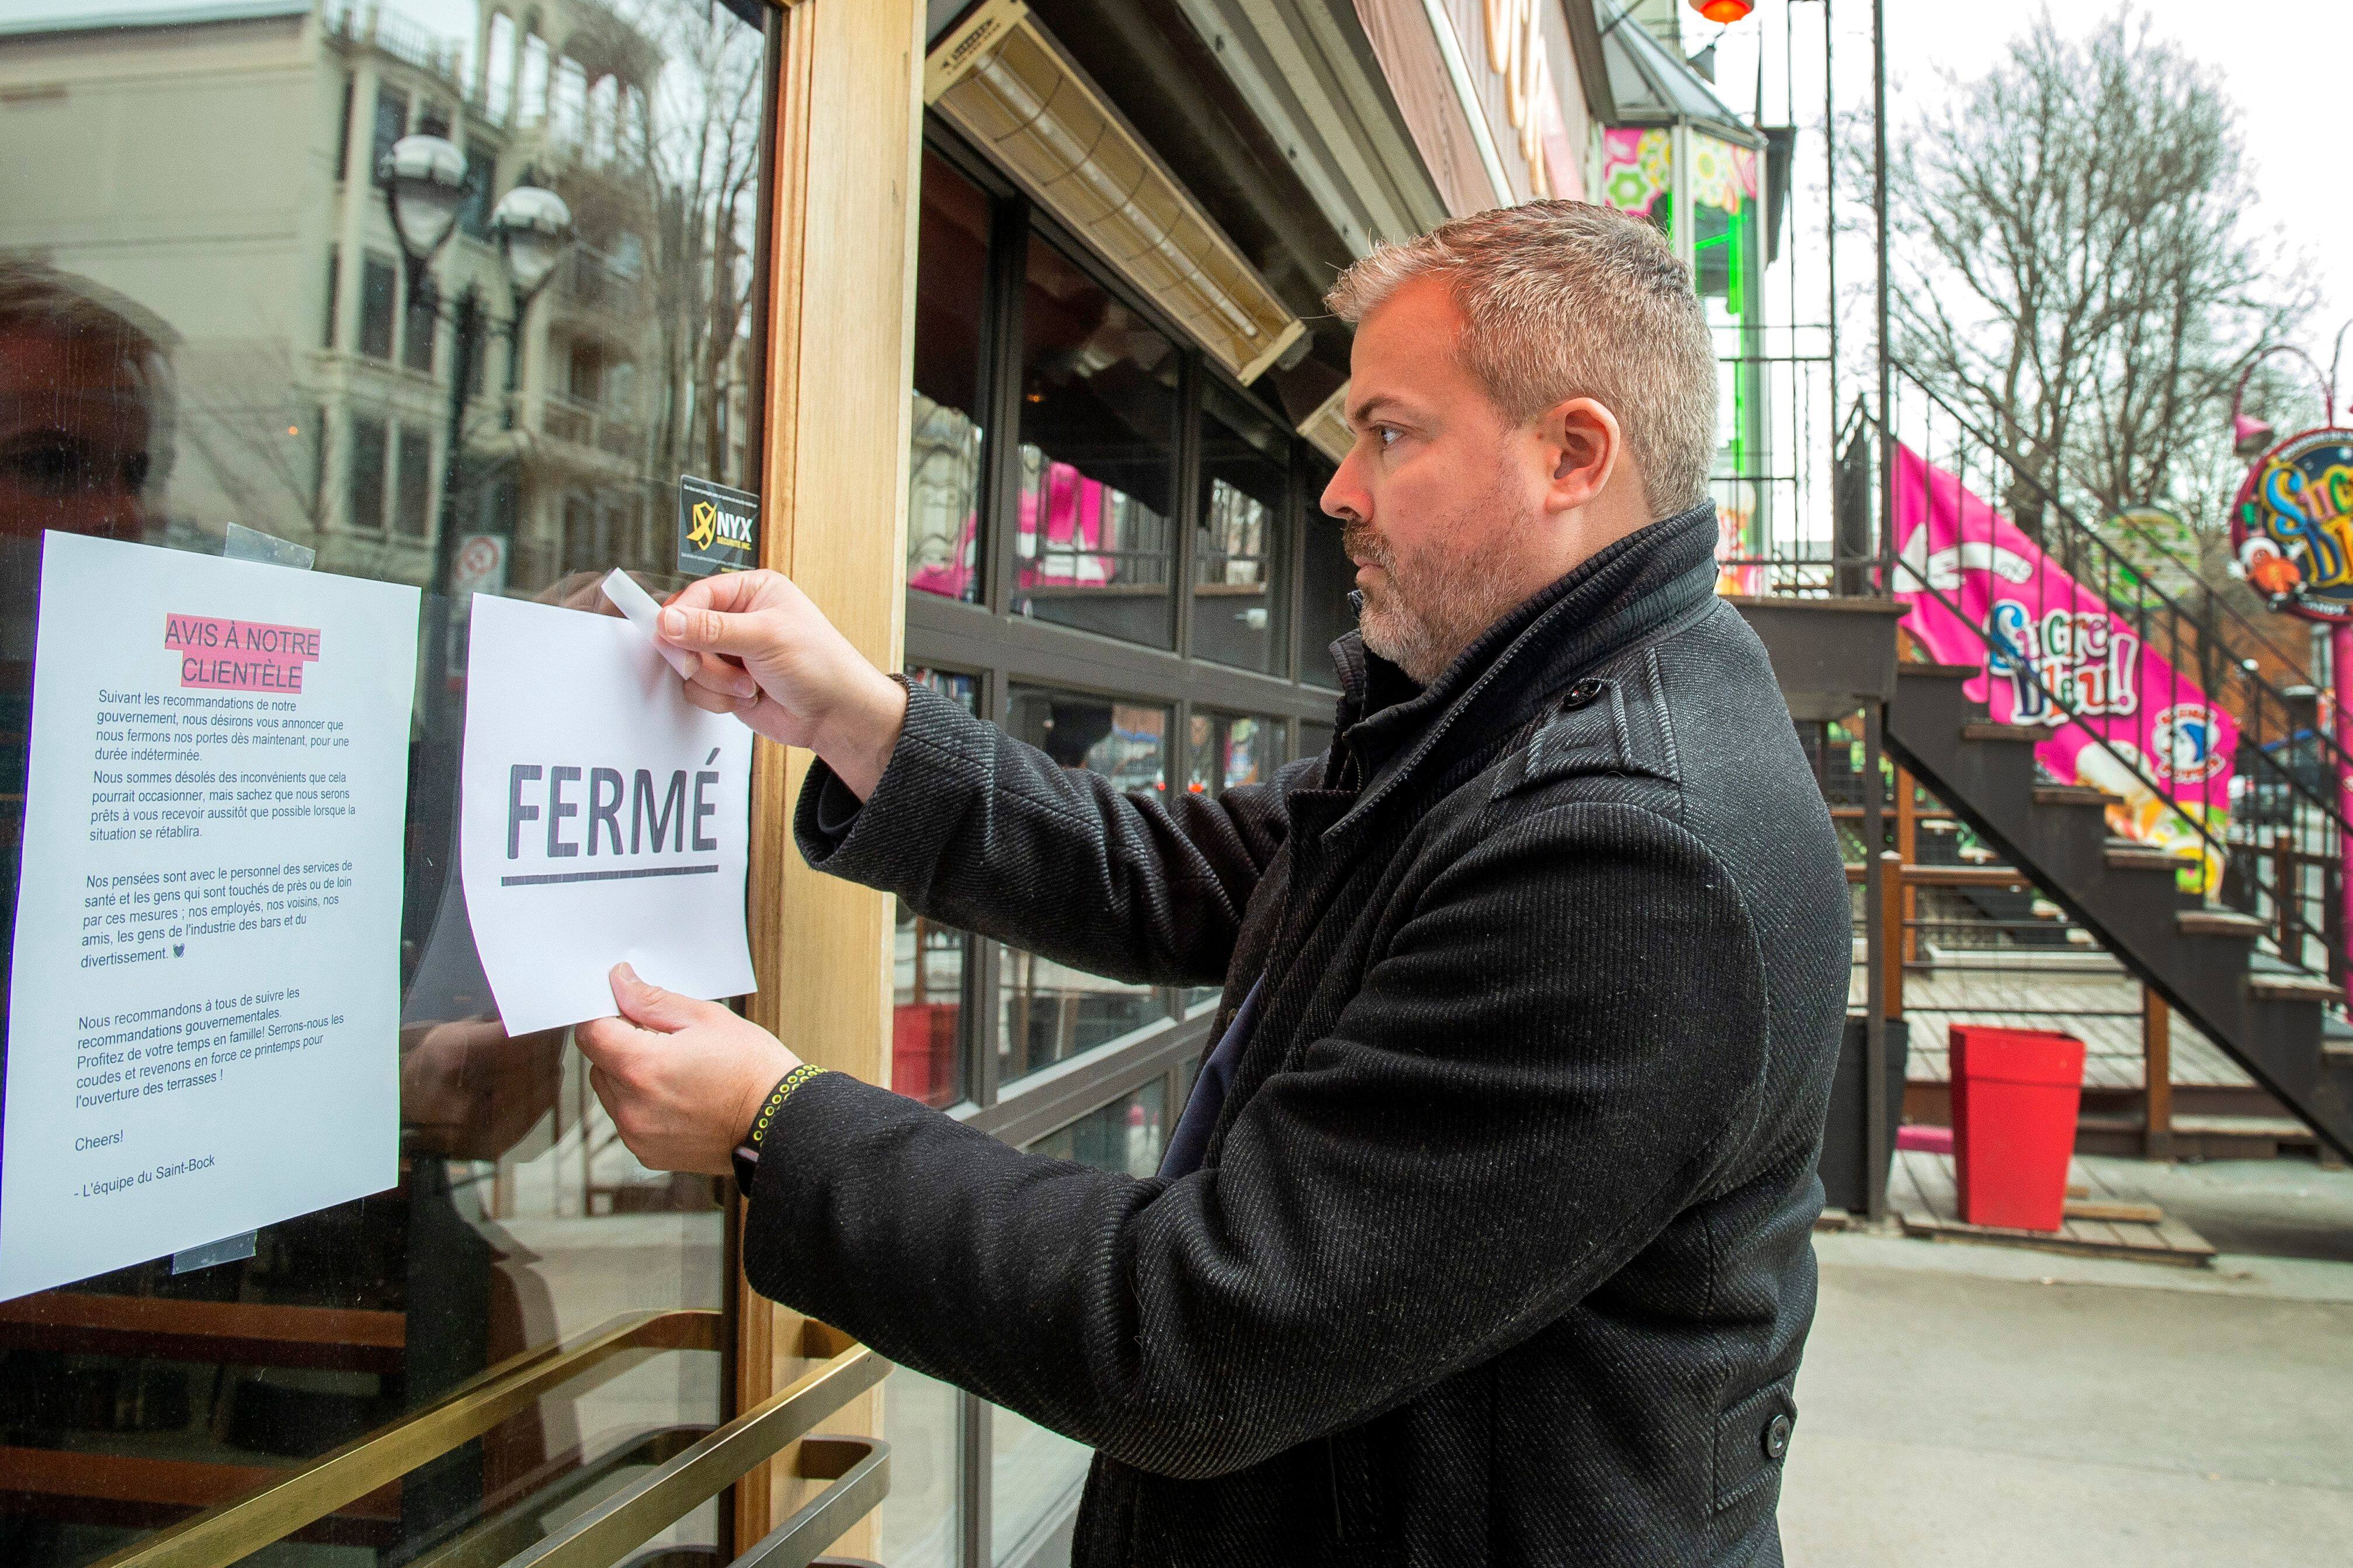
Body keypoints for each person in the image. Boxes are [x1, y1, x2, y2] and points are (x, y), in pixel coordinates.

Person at [577, 200, 1853, 1565]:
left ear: (1571, 453)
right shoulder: (1503, 727)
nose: (1338, 489)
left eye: (1389, 430)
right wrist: (861, 726)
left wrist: (779, 1126)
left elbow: (1191, 1331)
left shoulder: (1625, 853)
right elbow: (1178, 875)